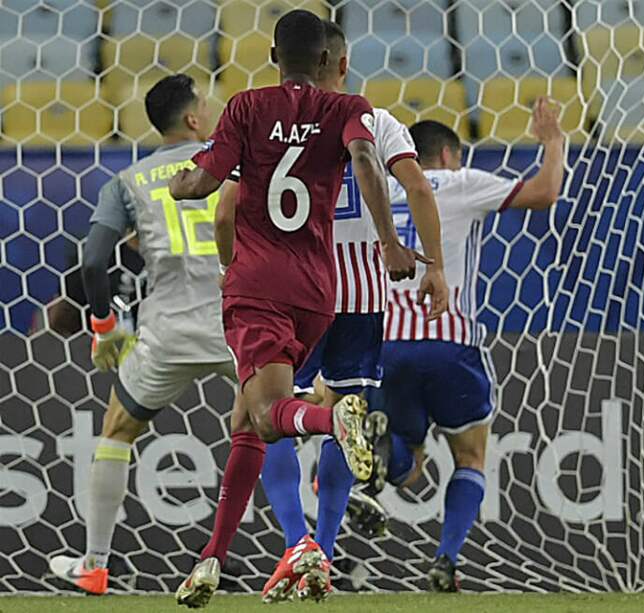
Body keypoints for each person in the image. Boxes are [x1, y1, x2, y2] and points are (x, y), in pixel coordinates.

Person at [167, 10, 423, 608]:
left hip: (258, 284)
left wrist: (180, 183)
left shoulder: (248, 108)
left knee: (266, 416)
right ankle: (213, 560)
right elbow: (365, 163)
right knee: (246, 419)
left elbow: (208, 191)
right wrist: (389, 243)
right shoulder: (347, 108)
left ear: (274, 55)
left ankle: (331, 424)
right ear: (331, 60)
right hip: (318, 293)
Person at [238, 20, 449, 603]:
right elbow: (421, 190)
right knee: (345, 412)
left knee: (266, 415)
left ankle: (294, 543)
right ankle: (324, 556)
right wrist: (434, 269)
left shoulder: (268, 124)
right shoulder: (376, 122)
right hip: (360, 294)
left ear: (281, 58)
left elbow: (231, 202)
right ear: (343, 60)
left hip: (292, 288)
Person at [357, 104, 566, 592]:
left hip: (386, 346)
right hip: (449, 341)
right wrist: (553, 142)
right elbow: (544, 191)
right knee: (470, 457)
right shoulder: (460, 181)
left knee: (407, 468)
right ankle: (446, 560)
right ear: (449, 153)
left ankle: (386, 456)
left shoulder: (377, 192)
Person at [47, 74, 232, 596]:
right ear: (194, 118)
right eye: (205, 102)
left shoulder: (127, 180)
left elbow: (92, 261)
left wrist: (105, 328)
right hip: (238, 323)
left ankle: (95, 564)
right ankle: (305, 547)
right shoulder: (235, 164)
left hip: (167, 331)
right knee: (276, 420)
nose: (211, 107)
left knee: (117, 429)